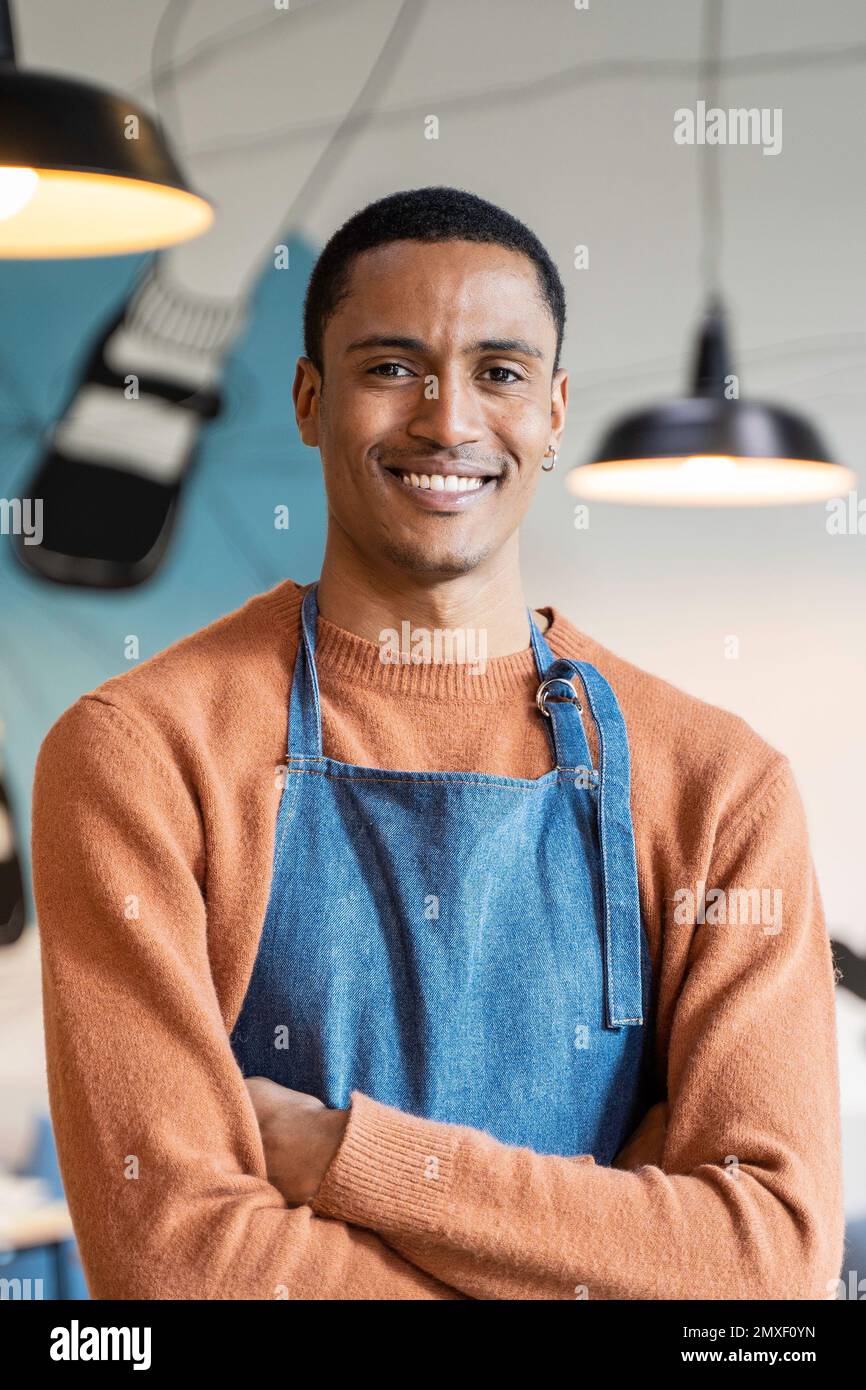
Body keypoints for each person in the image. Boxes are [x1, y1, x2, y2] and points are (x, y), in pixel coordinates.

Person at [31, 186, 844, 1301]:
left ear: (553, 413)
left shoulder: (719, 788)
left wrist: (331, 1154)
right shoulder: (137, 756)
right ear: (310, 400)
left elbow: (762, 1270)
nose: (447, 421)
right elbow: (176, 1262)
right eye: (390, 367)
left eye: (498, 372)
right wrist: (614, 1249)